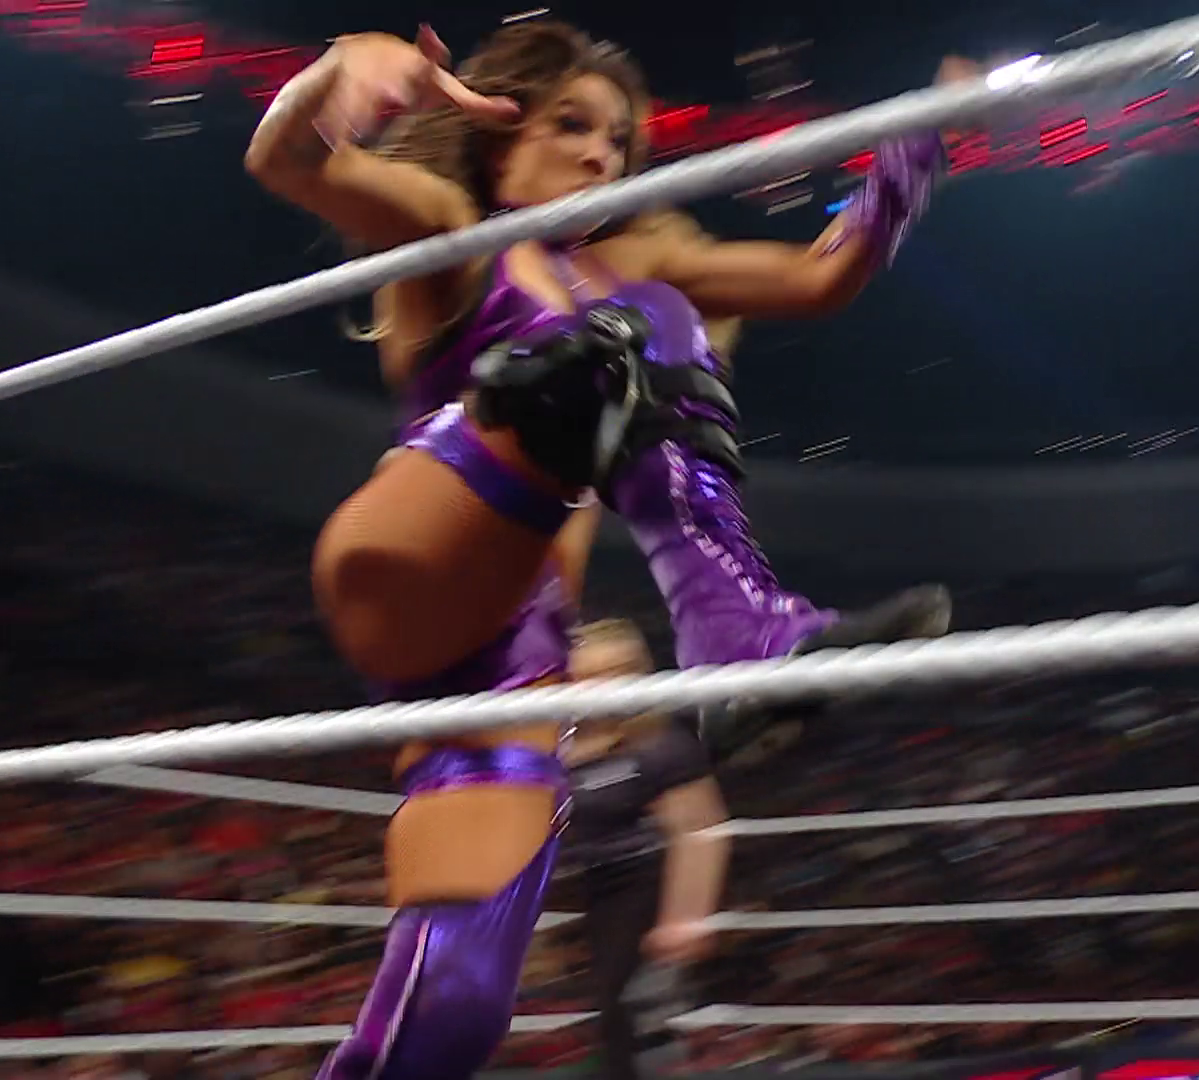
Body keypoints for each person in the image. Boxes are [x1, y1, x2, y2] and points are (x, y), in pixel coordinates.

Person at [244, 20, 962, 1078]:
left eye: (618, 141)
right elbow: (287, 161)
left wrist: (921, 144)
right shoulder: (455, 228)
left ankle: (740, 631)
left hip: (515, 668)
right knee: (628, 334)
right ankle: (735, 633)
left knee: (451, 1012)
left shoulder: (629, 265)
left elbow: (823, 276)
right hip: (416, 552)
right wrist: (349, 67)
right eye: (571, 125)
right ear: (501, 137)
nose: (598, 154)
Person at [561, 619, 727, 1080]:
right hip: (596, 889)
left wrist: (686, 916)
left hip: (647, 886)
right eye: (588, 675)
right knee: (615, 1019)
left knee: (640, 1017)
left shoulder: (659, 743)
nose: (601, 686)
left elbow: (699, 829)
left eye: (614, 672)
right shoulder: (565, 748)